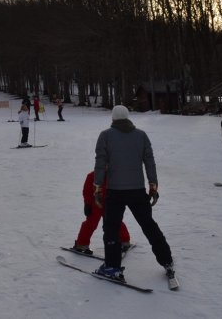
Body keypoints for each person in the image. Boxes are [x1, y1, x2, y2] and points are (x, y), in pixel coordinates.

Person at [93, 105, 174, 284]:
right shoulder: (141, 135)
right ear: (128, 117)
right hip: (137, 191)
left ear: (113, 118)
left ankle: (112, 267)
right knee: (149, 225)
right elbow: (149, 162)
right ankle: (166, 259)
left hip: (115, 191)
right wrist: (153, 186)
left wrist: (98, 187)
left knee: (111, 229)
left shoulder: (105, 135)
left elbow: (100, 163)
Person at [73, 172, 131, 255]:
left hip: (111, 204)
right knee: (90, 224)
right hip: (95, 205)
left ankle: (124, 242)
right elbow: (87, 191)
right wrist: (87, 204)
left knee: (116, 222)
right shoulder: (92, 176)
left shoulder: (115, 175)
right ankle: (82, 245)